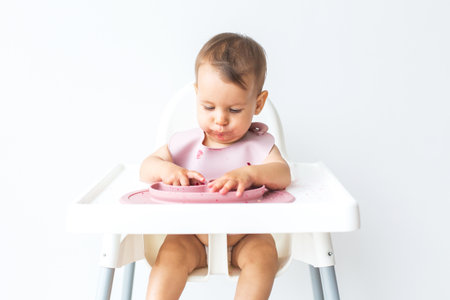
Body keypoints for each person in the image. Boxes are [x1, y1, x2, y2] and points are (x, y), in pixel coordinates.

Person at [140, 32, 291, 300]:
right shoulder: (185, 144)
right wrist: (169, 170)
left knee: (264, 254)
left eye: (234, 110)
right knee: (171, 253)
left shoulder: (258, 145)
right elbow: (146, 167)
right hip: (192, 237)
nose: (220, 120)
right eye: (208, 107)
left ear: (257, 103)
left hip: (245, 236)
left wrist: (251, 173)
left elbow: (283, 173)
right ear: (197, 95)